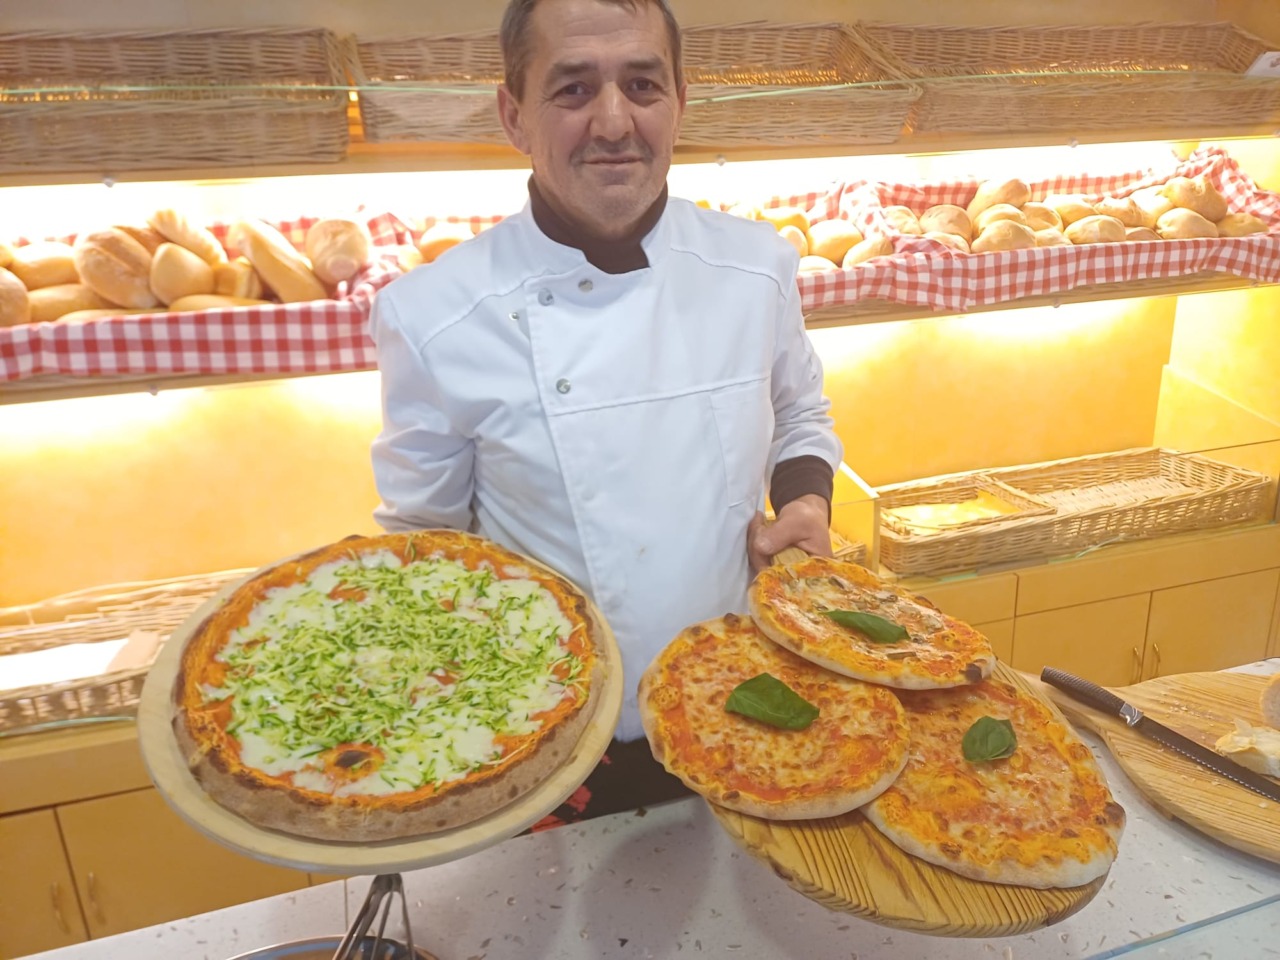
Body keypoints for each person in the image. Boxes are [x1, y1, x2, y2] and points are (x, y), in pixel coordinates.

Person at [368, 0, 843, 826]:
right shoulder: (432, 315)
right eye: (574, 89)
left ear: (681, 101)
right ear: (515, 115)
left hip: (751, 710)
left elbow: (801, 412)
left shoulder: (757, 266)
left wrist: (804, 500)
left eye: (642, 84)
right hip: (553, 747)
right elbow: (426, 551)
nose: (615, 120)